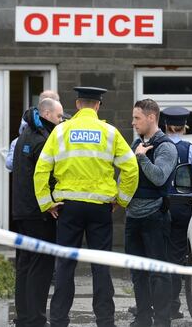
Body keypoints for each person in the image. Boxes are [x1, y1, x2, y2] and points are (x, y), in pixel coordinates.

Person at [34, 87, 139, 327]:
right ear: (98, 106)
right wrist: (121, 199)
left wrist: (46, 203)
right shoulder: (109, 132)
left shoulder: (61, 131)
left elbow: (41, 169)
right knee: (100, 265)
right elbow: (131, 168)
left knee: (65, 265)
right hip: (100, 209)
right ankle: (105, 320)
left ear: (78, 104)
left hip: (68, 209)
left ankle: (59, 319)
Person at [12, 97, 63, 327]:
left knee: (24, 266)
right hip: (39, 213)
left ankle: (24, 317)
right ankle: (36, 319)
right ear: (47, 114)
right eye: (59, 116)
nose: (61, 121)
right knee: (40, 268)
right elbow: (47, 176)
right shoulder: (44, 140)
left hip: (22, 212)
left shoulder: (24, 135)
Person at [127, 99, 177, 327]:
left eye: (137, 118)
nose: (133, 122)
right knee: (137, 273)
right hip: (132, 218)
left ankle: (162, 320)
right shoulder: (136, 143)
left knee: (158, 273)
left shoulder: (166, 146)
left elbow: (159, 177)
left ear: (151, 117)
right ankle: (143, 318)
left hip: (154, 217)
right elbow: (126, 177)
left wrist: (141, 157)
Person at [161, 106, 192, 319]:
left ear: (165, 125)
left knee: (158, 254)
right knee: (177, 256)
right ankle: (173, 306)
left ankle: (157, 303)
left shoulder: (157, 145)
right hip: (182, 206)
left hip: (160, 204)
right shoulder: (191, 149)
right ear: (184, 127)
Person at [6, 89, 61, 172]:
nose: (60, 119)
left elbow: (10, 163)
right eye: (58, 115)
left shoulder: (25, 130)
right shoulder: (41, 135)